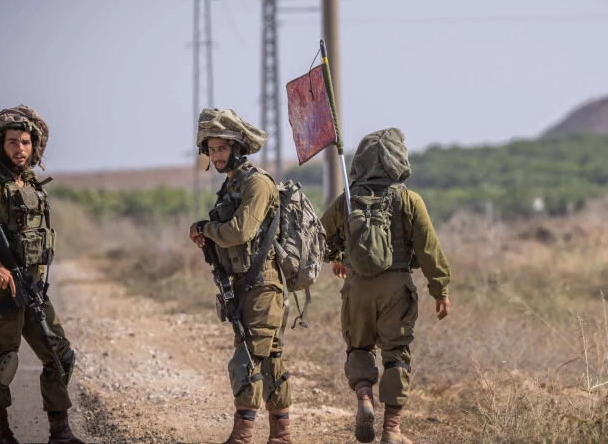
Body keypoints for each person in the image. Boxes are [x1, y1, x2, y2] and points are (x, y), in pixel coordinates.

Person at [0, 106, 83, 444]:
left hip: (34, 287)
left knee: (60, 354)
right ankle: (2, 433)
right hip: (2, 290)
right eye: (13, 142)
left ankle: (60, 433)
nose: (20, 148)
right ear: (1, 145)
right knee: (3, 360)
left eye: (26, 142)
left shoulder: (33, 186)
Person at [320, 128, 451, 444]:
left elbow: (318, 238)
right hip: (396, 288)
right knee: (395, 355)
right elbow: (429, 249)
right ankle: (392, 430)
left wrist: (338, 257)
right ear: (398, 160)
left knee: (359, 348)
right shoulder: (409, 199)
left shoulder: (348, 200)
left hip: (357, 289)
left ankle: (364, 396)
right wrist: (440, 289)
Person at [188, 108, 292, 444]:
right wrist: (207, 236)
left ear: (237, 147)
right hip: (244, 285)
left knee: (247, 357)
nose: (217, 155)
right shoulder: (232, 184)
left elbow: (240, 231)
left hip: (263, 284)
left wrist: (207, 228)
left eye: (222, 148)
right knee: (270, 358)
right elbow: (227, 238)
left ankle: (243, 435)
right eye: (212, 149)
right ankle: (281, 434)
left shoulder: (257, 183)